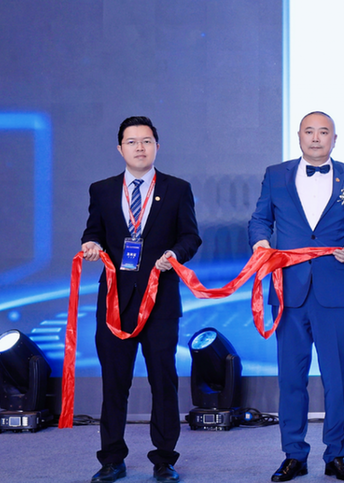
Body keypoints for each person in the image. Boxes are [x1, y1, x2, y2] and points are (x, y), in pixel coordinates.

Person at [250, 111, 344, 482]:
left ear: (334, 139)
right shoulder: (275, 175)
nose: (315, 138)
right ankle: (294, 454)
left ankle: (337, 454)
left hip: (335, 291)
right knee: (291, 379)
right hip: (289, 291)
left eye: (323, 132)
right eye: (309, 131)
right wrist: (260, 242)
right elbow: (260, 219)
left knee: (337, 379)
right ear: (298, 135)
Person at [81, 116, 202, 483]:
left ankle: (164, 459)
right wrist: (91, 244)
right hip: (115, 301)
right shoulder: (102, 190)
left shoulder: (177, 189)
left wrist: (174, 255)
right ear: (120, 149)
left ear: (157, 147)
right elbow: (93, 231)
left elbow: (190, 237)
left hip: (160, 299)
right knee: (114, 382)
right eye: (132, 142)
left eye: (146, 141)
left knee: (163, 382)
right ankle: (111, 459)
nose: (139, 147)